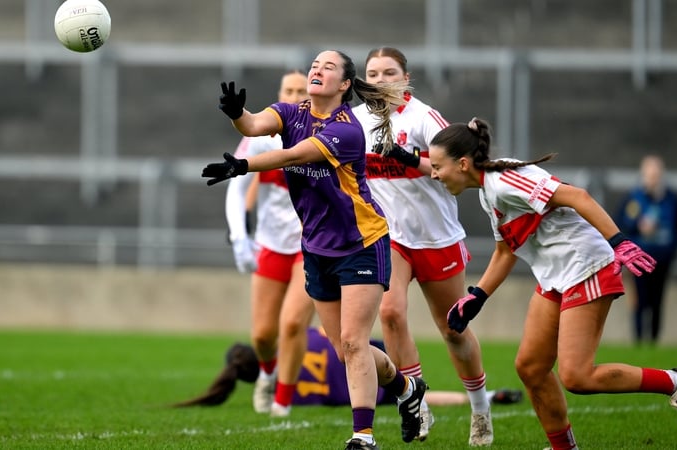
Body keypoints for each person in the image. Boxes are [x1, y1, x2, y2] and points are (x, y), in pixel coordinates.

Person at [427, 117, 677, 449]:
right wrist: (478, 295)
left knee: (577, 376)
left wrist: (619, 242)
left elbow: (578, 196)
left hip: (585, 266)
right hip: (558, 276)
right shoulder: (488, 193)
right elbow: (505, 251)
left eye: (437, 166)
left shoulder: (504, 183)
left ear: (462, 163)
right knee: (531, 367)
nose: (433, 174)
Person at [202, 49, 427, 450]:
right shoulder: (291, 112)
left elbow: (292, 155)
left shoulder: (347, 129)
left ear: (344, 85)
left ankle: (363, 436)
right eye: (314, 65)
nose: (316, 69)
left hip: (362, 242)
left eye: (328, 66)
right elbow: (254, 126)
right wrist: (237, 113)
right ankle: (407, 387)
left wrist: (242, 168)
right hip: (317, 247)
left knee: (355, 342)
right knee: (344, 350)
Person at [351, 47, 492, 446]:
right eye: (373, 73)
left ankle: (480, 408)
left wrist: (406, 156)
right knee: (391, 313)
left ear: (405, 77)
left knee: (453, 330)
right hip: (389, 236)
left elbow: (452, 166)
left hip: (436, 237)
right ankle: (417, 402)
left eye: (389, 72)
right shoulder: (358, 120)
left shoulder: (422, 117)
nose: (380, 80)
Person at [224, 70, 316, 418]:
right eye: (288, 90)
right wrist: (239, 238)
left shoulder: (324, 132)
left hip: (311, 245)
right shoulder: (263, 130)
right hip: (271, 243)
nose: (294, 96)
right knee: (262, 335)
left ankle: (283, 401)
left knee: (293, 323)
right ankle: (267, 374)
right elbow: (235, 181)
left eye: (300, 90)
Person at [174, 327, 523, 409]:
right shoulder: (293, 342)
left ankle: (487, 396)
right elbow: (329, 331)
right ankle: (484, 392)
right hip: (366, 357)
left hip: (353, 394)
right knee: (404, 377)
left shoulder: (289, 396)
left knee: (418, 398)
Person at [614, 155, 677, 345]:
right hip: (639, 259)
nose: (653, 178)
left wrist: (673, 248)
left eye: (656, 174)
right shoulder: (634, 199)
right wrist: (637, 227)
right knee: (639, 299)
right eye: (649, 174)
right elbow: (619, 224)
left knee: (657, 299)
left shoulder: (672, 199)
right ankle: (639, 340)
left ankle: (654, 340)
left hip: (662, 259)